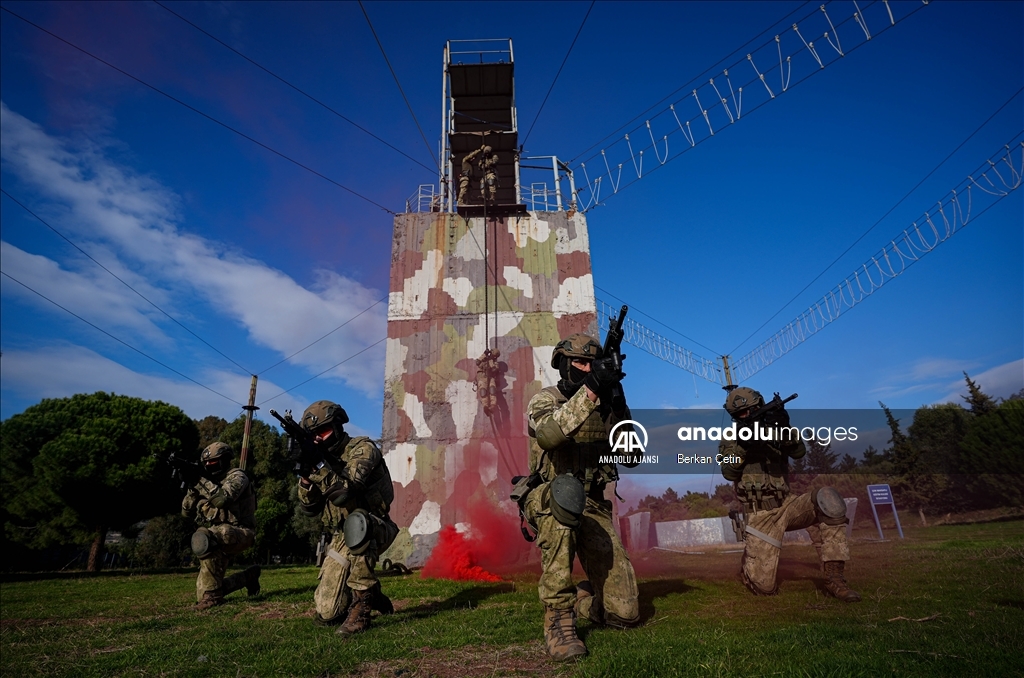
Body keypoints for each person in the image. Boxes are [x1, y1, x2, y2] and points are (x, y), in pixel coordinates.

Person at [521, 334, 640, 661]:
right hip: (549, 497)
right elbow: (548, 435)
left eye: (593, 364)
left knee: (625, 614)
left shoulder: (603, 405)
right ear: (563, 364)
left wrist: (617, 405)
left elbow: (631, 456)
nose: (588, 368)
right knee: (566, 492)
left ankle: (583, 599)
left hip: (593, 504)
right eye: (581, 363)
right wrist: (592, 388)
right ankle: (558, 619)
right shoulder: (544, 399)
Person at [719, 387, 860, 602]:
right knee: (764, 588)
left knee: (828, 499)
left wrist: (783, 428)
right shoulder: (731, 438)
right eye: (741, 414)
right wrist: (744, 447)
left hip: (788, 505)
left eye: (753, 410)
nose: (747, 416)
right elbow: (728, 471)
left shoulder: (776, 430)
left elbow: (799, 452)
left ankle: (835, 579)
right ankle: (749, 564)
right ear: (734, 416)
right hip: (760, 516)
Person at [296, 400, 399, 634]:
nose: (319, 438)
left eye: (323, 431)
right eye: (314, 435)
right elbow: (309, 509)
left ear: (338, 425)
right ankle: (373, 593)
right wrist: (305, 476)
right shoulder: (317, 461)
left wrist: (320, 467)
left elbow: (345, 493)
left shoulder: (362, 449)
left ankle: (362, 606)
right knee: (327, 612)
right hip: (342, 536)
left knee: (357, 523)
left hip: (375, 526)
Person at [181, 442, 260, 611]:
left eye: (214, 462)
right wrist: (192, 488)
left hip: (242, 532)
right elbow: (185, 513)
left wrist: (201, 481)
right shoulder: (207, 482)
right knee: (206, 591)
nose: (210, 466)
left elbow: (223, 499)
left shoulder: (238, 477)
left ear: (225, 460)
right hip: (218, 535)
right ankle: (248, 577)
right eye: (207, 463)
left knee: (206, 535)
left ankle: (213, 598)